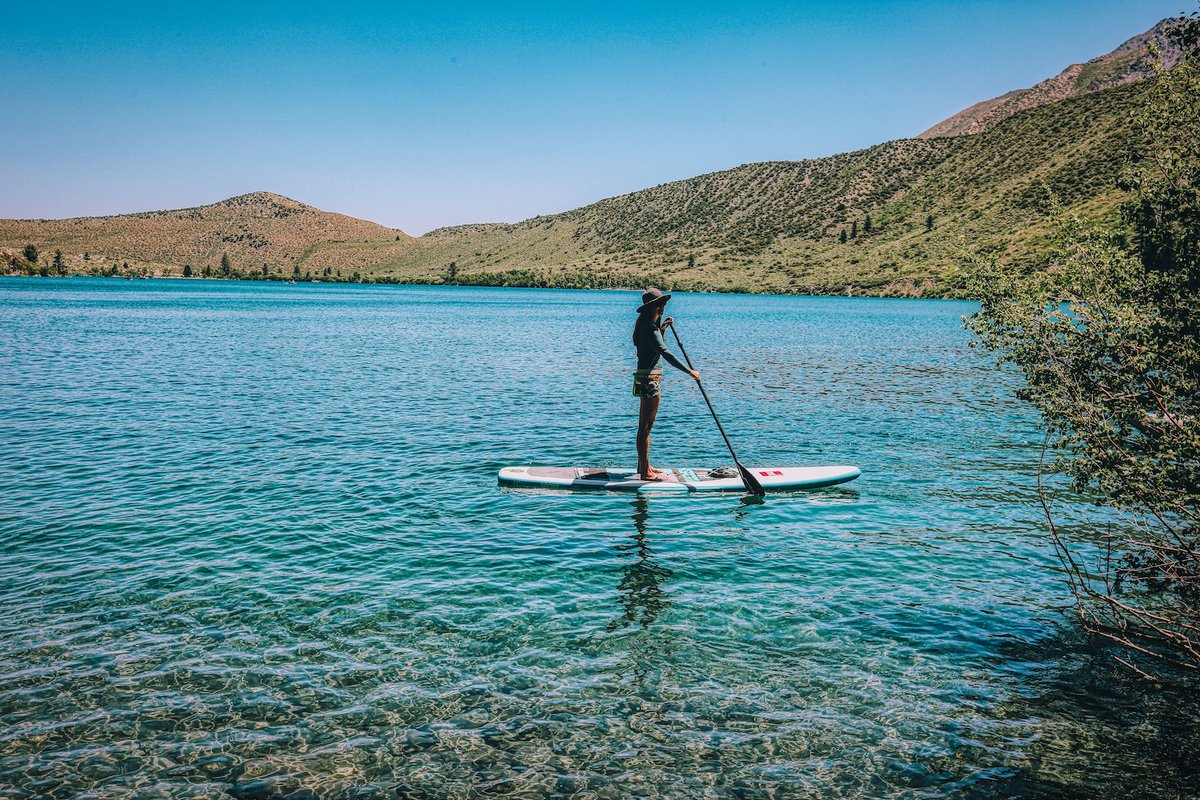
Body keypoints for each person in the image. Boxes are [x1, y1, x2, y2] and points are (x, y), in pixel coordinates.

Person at [632, 288, 700, 481]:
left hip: (646, 376)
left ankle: (643, 465)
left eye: (663, 304)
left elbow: (651, 345)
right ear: (650, 307)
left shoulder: (644, 325)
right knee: (646, 426)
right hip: (650, 379)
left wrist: (662, 329)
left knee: (645, 425)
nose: (662, 308)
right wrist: (689, 371)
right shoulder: (648, 327)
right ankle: (645, 472)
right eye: (659, 305)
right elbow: (665, 352)